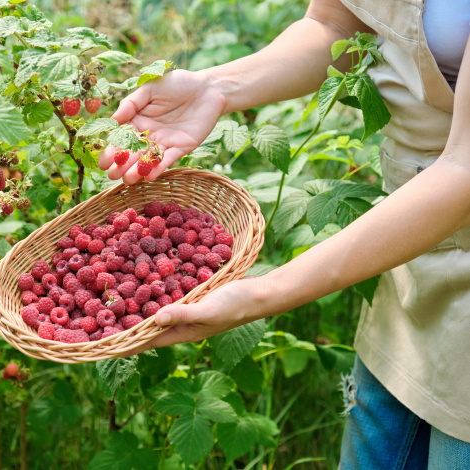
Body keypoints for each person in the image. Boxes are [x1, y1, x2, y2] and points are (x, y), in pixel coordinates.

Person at [100, 0, 470, 467]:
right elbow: (334, 25)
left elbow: (464, 171)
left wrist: (260, 294)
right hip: (403, 243)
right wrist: (215, 87)